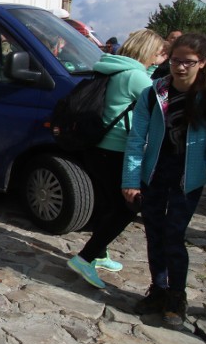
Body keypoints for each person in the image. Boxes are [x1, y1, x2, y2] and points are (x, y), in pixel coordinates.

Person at [123, 33, 206, 329]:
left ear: (202, 63)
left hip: (187, 178)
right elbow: (136, 139)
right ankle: (158, 288)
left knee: (174, 235)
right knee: (154, 232)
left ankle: (177, 295)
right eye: (176, 60)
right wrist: (131, 179)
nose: (181, 67)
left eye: (188, 62)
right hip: (155, 174)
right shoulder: (154, 93)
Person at [66, 29, 166, 289]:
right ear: (148, 52)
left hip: (96, 147)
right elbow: (158, 106)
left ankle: (99, 254)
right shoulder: (135, 76)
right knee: (126, 207)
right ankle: (85, 257)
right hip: (115, 150)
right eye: (159, 51)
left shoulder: (112, 67)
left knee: (108, 203)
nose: (162, 56)